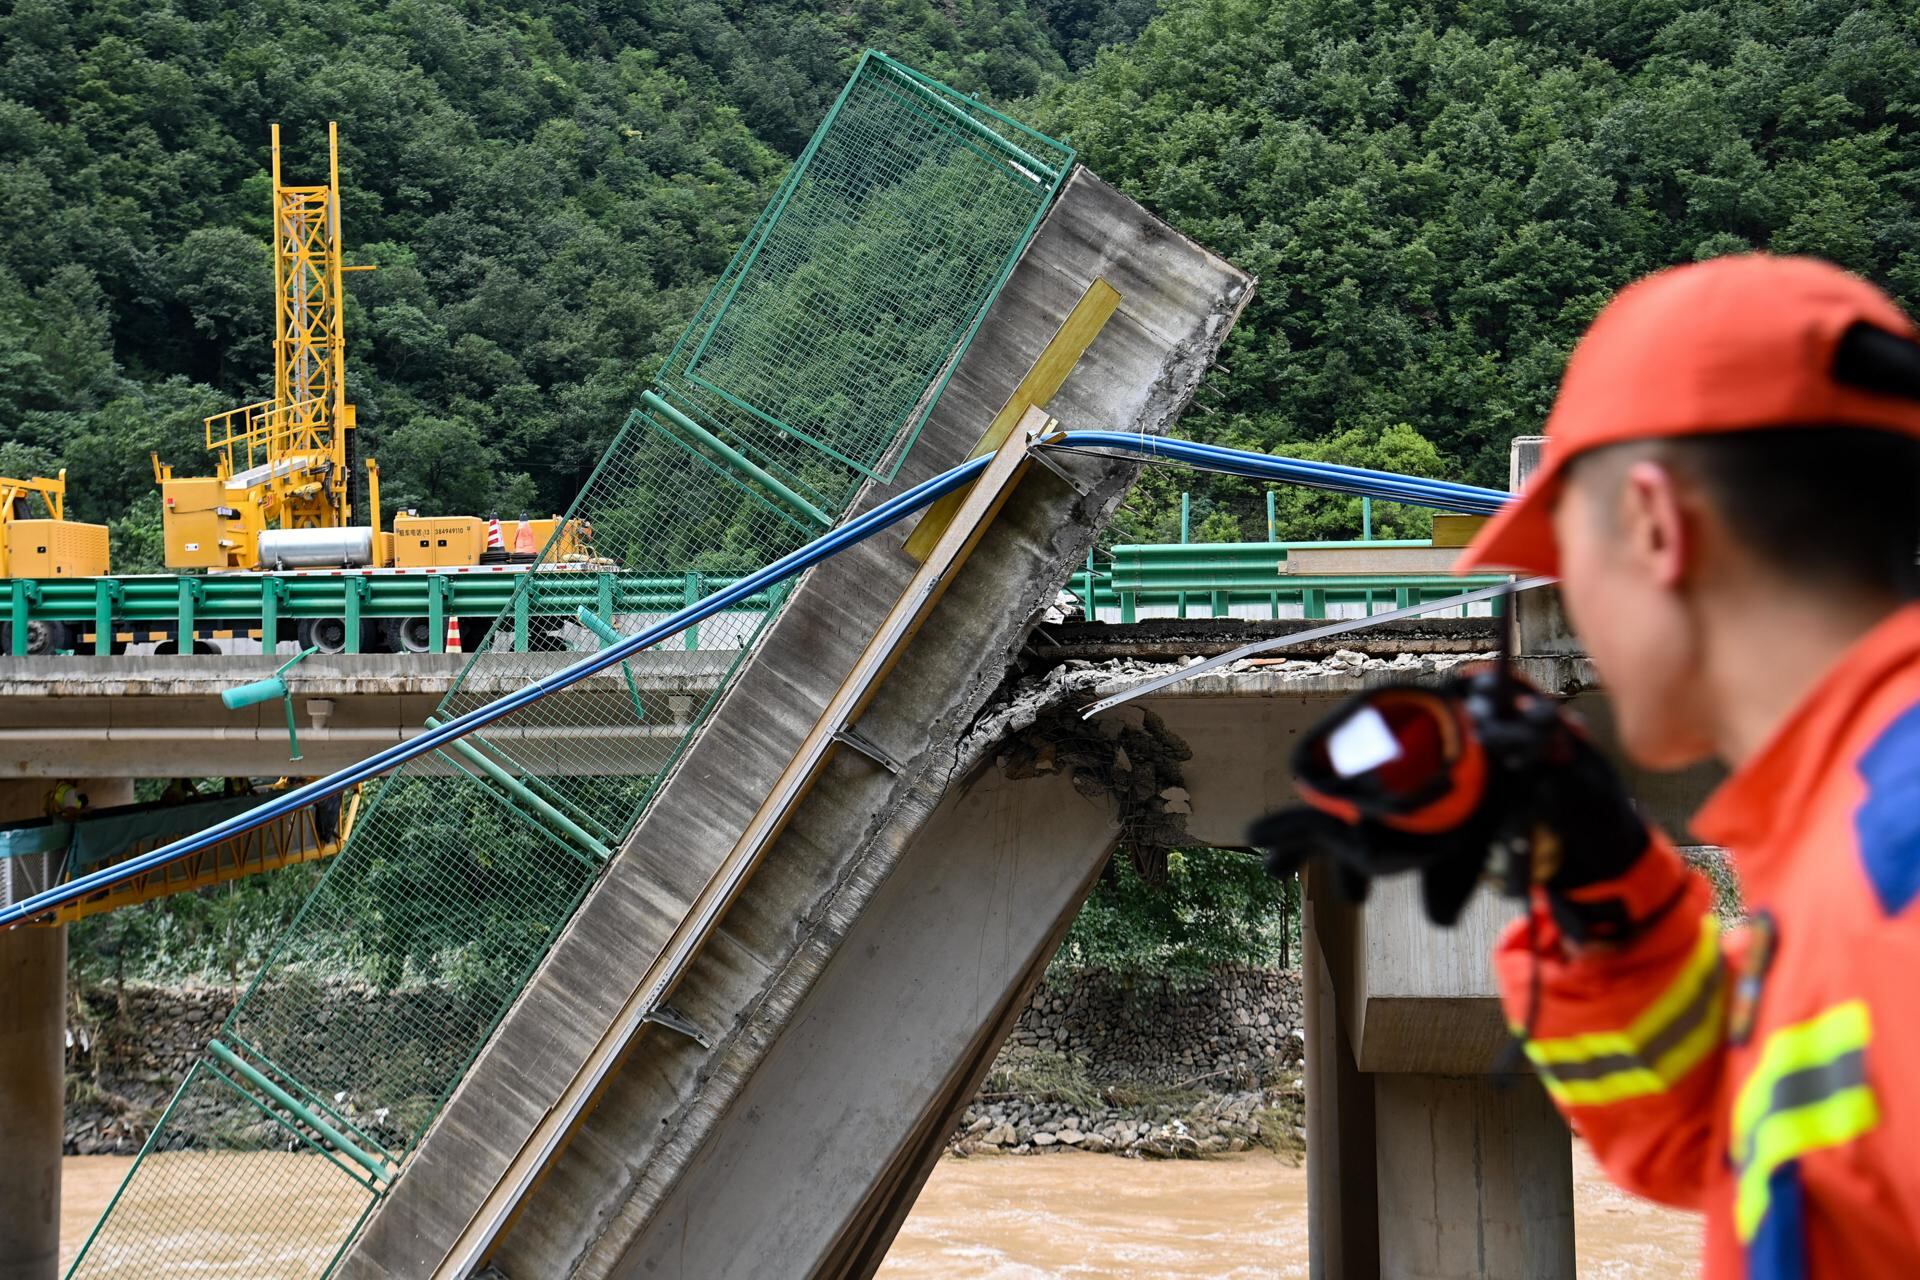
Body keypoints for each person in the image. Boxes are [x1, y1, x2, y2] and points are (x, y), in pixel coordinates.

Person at [1253, 254, 1920, 1278]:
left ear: (1654, 524)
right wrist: (1599, 877)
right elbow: (1713, 1127)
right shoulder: (1848, 834)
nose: (1569, 610)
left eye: (1566, 560)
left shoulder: (1893, 847)